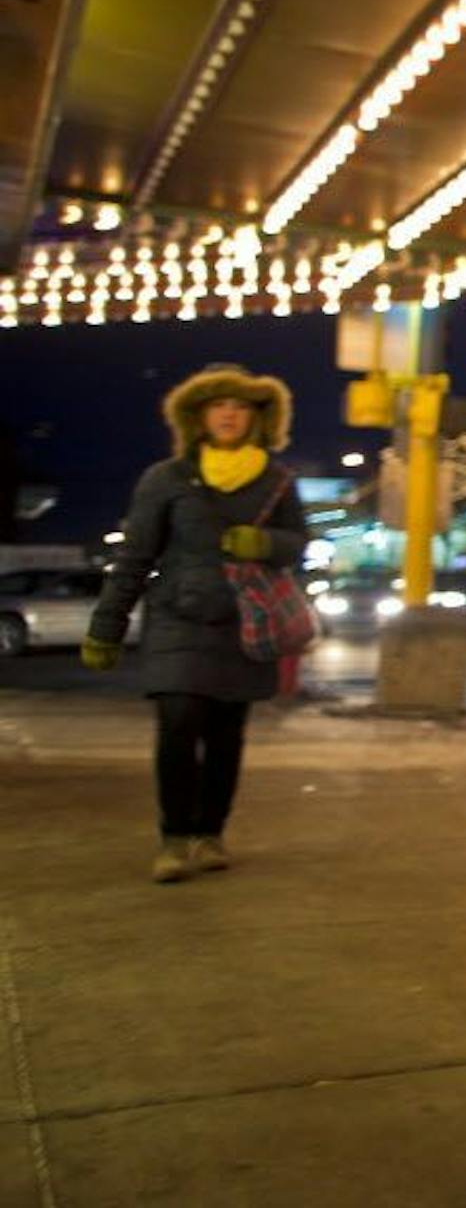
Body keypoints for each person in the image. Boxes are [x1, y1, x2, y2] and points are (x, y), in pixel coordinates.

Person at [82, 366, 307, 883]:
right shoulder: (166, 478)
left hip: (244, 624)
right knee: (179, 723)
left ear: (258, 417)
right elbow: (136, 555)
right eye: (218, 404)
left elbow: (299, 540)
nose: (229, 413)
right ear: (198, 416)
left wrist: (267, 544)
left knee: (226, 735)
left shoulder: (277, 480)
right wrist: (106, 626)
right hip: (177, 619)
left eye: (241, 405)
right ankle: (174, 837)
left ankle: (210, 834)